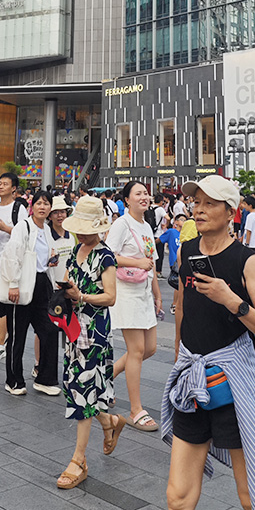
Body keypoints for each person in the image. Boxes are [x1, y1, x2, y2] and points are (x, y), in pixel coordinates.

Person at [163, 175, 255, 510]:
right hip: (193, 382)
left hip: (233, 388)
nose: (197, 209)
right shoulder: (187, 251)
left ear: (230, 212)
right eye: (195, 202)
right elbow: (182, 305)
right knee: (177, 497)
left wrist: (230, 299)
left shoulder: (245, 260)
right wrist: (179, 357)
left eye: (208, 203)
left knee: (252, 496)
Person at [56, 196, 124, 489]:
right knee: (74, 384)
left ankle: (79, 459)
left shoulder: (105, 255)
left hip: (94, 331)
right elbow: (70, 279)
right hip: (73, 329)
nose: (81, 233)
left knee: (82, 389)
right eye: (78, 228)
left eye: (86, 228)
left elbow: (110, 297)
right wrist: (68, 289)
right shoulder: (75, 250)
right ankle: (109, 422)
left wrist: (81, 297)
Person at [106, 181, 163, 432]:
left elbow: (151, 262)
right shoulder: (122, 224)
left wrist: (157, 294)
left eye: (145, 193)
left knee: (149, 348)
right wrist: (136, 262)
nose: (144, 196)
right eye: (138, 193)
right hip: (126, 294)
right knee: (137, 350)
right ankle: (136, 410)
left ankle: (105, 378)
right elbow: (107, 255)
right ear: (126, 200)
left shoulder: (147, 226)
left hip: (144, 294)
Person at [0, 191, 61, 396]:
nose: (42, 207)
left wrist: (52, 260)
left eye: (46, 204)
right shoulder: (23, 226)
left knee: (50, 331)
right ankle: (13, 380)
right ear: (32, 206)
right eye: (39, 203)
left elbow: (42, 258)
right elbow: (12, 255)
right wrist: (13, 283)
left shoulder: (47, 229)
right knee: (18, 334)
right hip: (23, 284)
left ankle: (45, 378)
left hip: (42, 284)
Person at [0, 172, 29, 361]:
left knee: (3, 304)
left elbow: (25, 232)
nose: (0, 187)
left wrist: (6, 229)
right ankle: (5, 337)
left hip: (12, 265)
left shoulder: (18, 208)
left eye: (5, 184)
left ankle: (1, 343)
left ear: (13, 188)